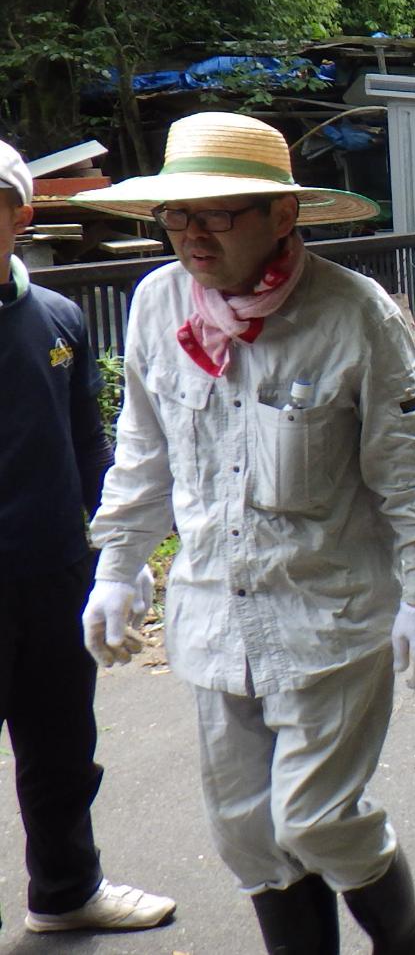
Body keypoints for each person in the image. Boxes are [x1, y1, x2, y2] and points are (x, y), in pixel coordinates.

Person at [74, 111, 415, 954]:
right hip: (213, 615)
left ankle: (407, 937)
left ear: (281, 216)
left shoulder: (354, 316)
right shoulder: (156, 306)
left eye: (214, 213)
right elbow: (143, 449)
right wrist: (119, 565)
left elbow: (413, 469)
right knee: (248, 833)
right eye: (177, 213)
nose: (189, 233)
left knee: (318, 818)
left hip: (330, 613)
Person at [0, 142, 177, 937]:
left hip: (52, 572)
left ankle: (66, 890)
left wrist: (120, 559)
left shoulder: (59, 318)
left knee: (64, 748)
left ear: (20, 213)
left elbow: (92, 454)